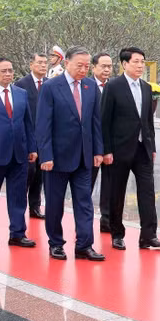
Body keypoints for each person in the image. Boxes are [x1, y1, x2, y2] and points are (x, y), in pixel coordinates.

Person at [37, 46, 105, 261]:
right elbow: (43, 124)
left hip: (84, 156)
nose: (84, 70)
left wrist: (98, 151)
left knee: (85, 202)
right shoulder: (51, 87)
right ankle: (56, 243)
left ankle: (84, 245)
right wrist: (45, 155)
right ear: (66, 63)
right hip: (57, 158)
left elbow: (95, 122)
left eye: (87, 66)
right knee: (55, 204)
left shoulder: (90, 87)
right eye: (79, 65)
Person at [102, 47, 160, 251]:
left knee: (147, 192)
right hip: (119, 149)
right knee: (117, 193)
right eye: (136, 62)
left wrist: (152, 146)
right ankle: (117, 234)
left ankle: (149, 235)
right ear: (124, 64)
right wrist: (106, 150)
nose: (140, 66)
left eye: (142, 62)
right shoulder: (113, 86)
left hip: (143, 149)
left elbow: (148, 121)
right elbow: (104, 121)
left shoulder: (147, 87)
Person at [0, 57, 36, 248]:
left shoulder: (20, 93)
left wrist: (32, 147)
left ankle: (18, 233)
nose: (8, 74)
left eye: (10, 70)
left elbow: (27, 122)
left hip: (19, 153)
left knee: (18, 195)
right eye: (3, 71)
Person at [14, 53, 48, 219]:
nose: (43, 65)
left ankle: (35, 206)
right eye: (39, 62)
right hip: (29, 135)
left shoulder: (50, 84)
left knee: (41, 174)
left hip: (46, 136)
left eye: (45, 63)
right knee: (28, 173)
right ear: (31, 64)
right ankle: (19, 207)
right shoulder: (22, 84)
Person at [88, 52, 113, 232]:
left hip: (111, 145)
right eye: (103, 66)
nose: (106, 69)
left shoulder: (115, 87)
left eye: (109, 66)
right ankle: (84, 222)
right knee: (86, 185)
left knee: (110, 185)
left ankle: (107, 219)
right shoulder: (86, 86)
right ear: (93, 67)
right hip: (90, 146)